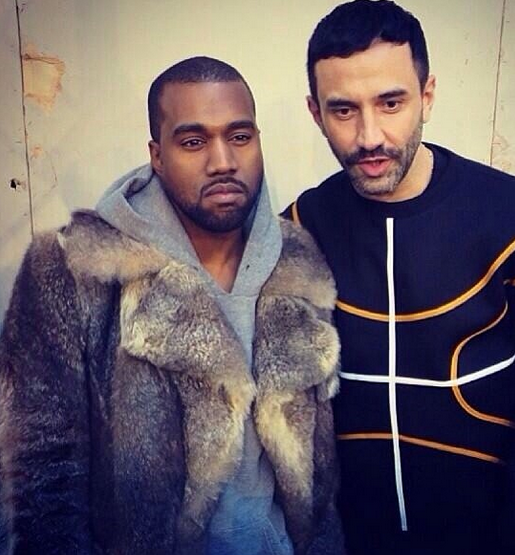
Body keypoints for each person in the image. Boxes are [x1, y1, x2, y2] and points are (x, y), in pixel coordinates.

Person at [0, 56, 344, 555]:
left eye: (240, 136)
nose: (223, 161)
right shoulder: (74, 267)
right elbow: (42, 472)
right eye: (193, 141)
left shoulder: (297, 264)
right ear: (157, 156)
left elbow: (319, 473)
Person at [284, 1, 515, 554]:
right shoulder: (301, 228)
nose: (369, 135)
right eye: (343, 109)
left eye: (391, 102)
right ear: (315, 112)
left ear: (426, 95)